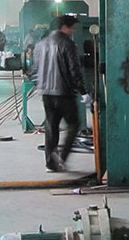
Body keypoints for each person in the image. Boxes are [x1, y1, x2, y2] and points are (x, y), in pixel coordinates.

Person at [32, 15, 91, 172]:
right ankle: (62, 158)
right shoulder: (68, 44)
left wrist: (40, 86)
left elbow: (35, 69)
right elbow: (74, 70)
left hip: (46, 93)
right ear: (65, 27)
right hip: (63, 93)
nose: (74, 31)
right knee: (73, 125)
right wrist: (84, 92)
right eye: (73, 28)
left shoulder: (41, 44)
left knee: (51, 127)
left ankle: (51, 164)